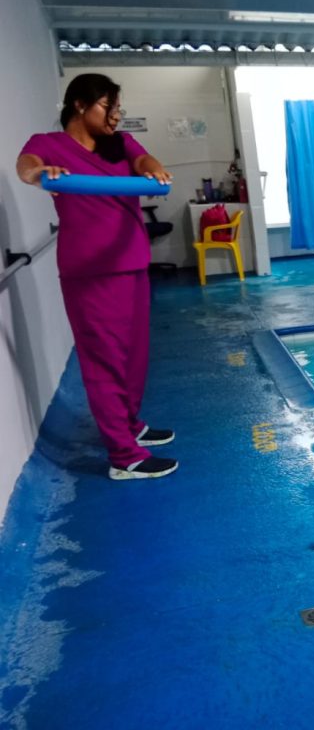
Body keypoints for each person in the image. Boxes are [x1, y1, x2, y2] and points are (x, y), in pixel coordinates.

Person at [16, 73, 177, 480]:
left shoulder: (120, 144)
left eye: (118, 108)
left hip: (132, 261)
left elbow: (143, 161)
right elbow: (26, 165)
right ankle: (124, 457)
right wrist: (40, 174)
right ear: (80, 105)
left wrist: (154, 169)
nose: (116, 116)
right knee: (104, 360)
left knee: (134, 356)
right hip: (90, 271)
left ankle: (129, 424)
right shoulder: (49, 145)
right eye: (109, 107)